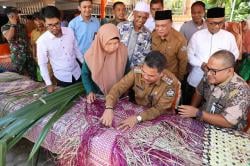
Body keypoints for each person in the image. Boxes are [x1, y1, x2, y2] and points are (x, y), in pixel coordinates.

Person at [100, 51, 181, 130]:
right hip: (138, 109)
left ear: (161, 74)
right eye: (144, 72)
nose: (145, 77)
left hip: (158, 117)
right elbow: (118, 88)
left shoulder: (170, 84)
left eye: (151, 76)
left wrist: (137, 118)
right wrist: (109, 107)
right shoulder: (137, 71)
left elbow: (159, 109)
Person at [178, 50, 250, 130]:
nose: (208, 73)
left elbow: (228, 122)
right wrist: (190, 113)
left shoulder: (241, 90)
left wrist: (197, 113)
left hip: (225, 133)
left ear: (229, 71)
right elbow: (198, 93)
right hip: (202, 124)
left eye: (214, 71)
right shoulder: (210, 75)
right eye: (208, 68)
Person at [186, 7, 239, 103]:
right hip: (197, 79)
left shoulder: (229, 37)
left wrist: (221, 67)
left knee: (211, 111)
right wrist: (201, 64)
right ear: (206, 21)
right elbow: (189, 55)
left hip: (219, 83)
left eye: (220, 23)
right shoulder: (197, 36)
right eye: (212, 23)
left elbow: (234, 55)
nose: (217, 26)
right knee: (191, 107)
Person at [37, 6, 83, 93]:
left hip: (77, 73)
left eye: (57, 23)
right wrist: (49, 83)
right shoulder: (42, 41)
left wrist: (85, 65)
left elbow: (76, 50)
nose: (54, 28)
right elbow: (42, 64)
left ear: (60, 20)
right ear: (44, 23)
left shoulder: (69, 32)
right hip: (62, 78)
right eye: (50, 25)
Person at [82, 23, 128, 104]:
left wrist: (125, 90)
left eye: (116, 43)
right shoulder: (91, 54)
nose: (113, 47)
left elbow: (127, 73)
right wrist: (89, 91)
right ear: (100, 41)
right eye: (109, 44)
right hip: (97, 93)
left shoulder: (122, 51)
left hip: (117, 93)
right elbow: (85, 74)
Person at [152, 10, 188, 81]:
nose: (159, 29)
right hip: (155, 75)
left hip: (170, 77)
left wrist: (179, 80)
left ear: (171, 24)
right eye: (157, 26)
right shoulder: (153, 35)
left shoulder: (179, 39)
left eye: (163, 26)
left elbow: (183, 62)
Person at [1, 7, 36, 79]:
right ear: (10, 16)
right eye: (16, 14)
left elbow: (27, 38)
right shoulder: (5, 27)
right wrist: (13, 25)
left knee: (33, 75)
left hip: (28, 54)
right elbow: (8, 37)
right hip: (18, 57)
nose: (18, 15)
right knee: (21, 76)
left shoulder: (22, 26)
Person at [117, 1, 151, 68]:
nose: (141, 20)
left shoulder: (147, 34)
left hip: (134, 72)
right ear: (133, 14)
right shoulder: (121, 27)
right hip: (117, 68)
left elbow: (145, 55)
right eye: (139, 16)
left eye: (145, 18)